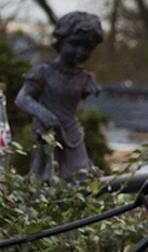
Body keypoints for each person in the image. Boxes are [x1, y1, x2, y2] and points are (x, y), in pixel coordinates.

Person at [15, 12, 104, 180]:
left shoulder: (84, 78)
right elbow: (22, 98)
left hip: (72, 134)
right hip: (47, 132)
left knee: (81, 175)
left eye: (87, 48)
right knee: (45, 178)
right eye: (75, 44)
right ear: (61, 41)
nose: (80, 51)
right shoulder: (43, 72)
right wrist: (43, 113)